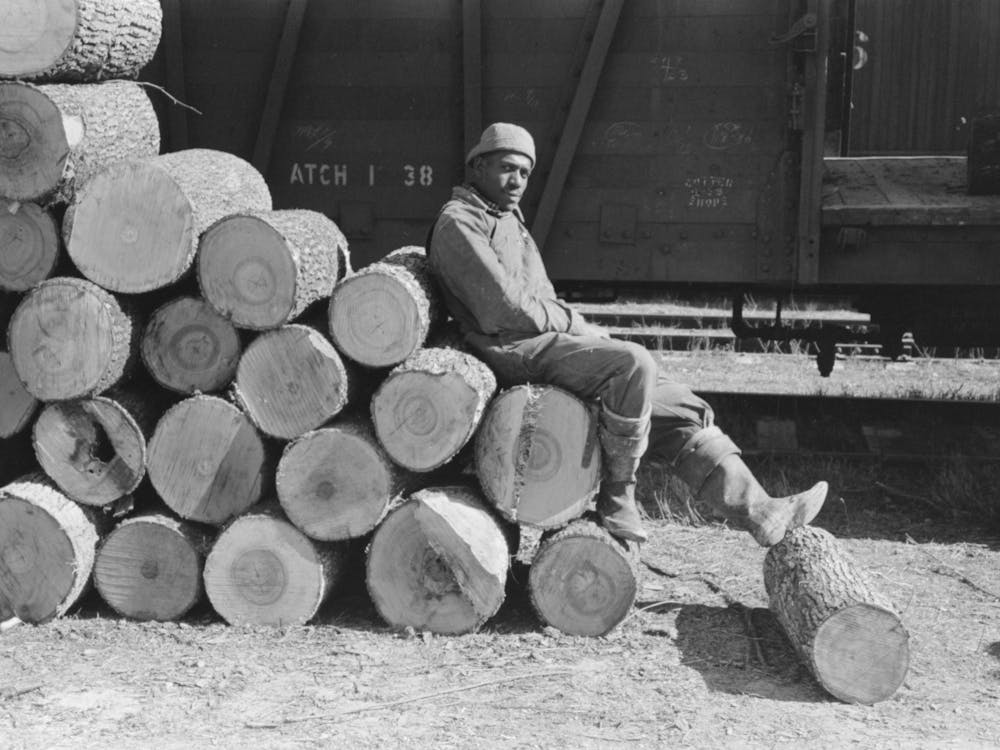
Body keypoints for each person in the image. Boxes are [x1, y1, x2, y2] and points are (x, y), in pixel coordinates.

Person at [427, 123, 827, 545]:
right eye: (507, 168)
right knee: (632, 363)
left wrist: (579, 332)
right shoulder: (460, 222)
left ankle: (760, 511)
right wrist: (578, 327)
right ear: (478, 166)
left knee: (679, 405)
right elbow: (501, 310)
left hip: (535, 340)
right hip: (506, 348)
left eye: (525, 173)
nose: (517, 182)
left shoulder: (506, 219)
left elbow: (535, 299)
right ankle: (617, 496)